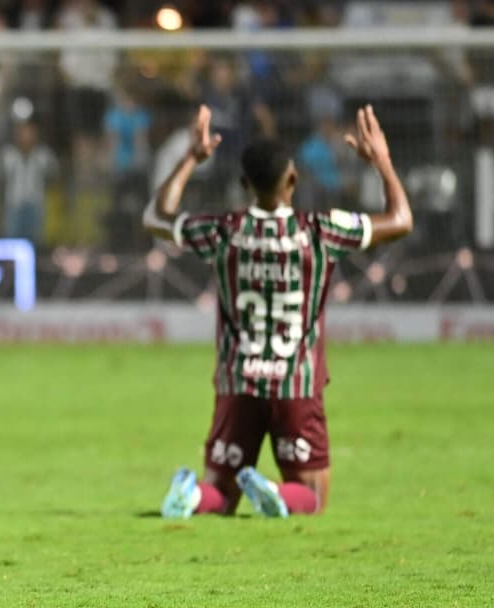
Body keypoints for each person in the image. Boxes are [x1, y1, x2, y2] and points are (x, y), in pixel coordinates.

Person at [143, 105, 413, 518]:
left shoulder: (222, 231)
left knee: (221, 494)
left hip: (239, 382)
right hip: (295, 385)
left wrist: (190, 160)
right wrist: (383, 162)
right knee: (312, 496)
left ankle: (193, 496)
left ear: (244, 184)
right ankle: (274, 492)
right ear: (293, 180)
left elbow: (155, 217)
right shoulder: (321, 231)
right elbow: (401, 219)